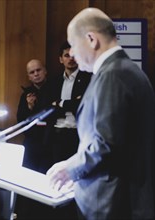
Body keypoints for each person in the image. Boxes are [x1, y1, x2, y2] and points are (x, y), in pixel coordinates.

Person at [47, 8, 154, 219]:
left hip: (114, 205)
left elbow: (106, 144)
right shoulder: (124, 70)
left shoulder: (114, 75)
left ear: (91, 39)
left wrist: (71, 168)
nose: (74, 55)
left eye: (74, 46)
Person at [51, 41, 91, 163]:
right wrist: (72, 103)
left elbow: (82, 105)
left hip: (77, 134)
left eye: (74, 55)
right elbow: (47, 105)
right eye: (66, 56)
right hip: (57, 133)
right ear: (60, 59)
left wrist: (60, 103)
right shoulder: (54, 81)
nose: (70, 59)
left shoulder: (87, 79)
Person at [16, 59, 55, 173]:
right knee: (28, 175)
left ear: (45, 71)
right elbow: (21, 120)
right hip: (32, 141)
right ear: (29, 77)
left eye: (38, 70)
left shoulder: (55, 88)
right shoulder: (26, 94)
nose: (36, 74)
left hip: (51, 141)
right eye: (32, 72)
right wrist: (29, 107)